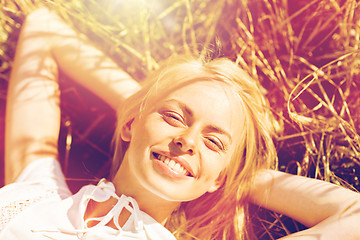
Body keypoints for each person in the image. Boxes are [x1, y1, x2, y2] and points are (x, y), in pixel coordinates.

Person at [1, 7, 360, 240]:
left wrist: (235, 177)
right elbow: (43, 31)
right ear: (129, 124)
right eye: (174, 117)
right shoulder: (34, 192)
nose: (188, 140)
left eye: (213, 142)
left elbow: (353, 214)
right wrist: (142, 106)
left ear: (219, 178)